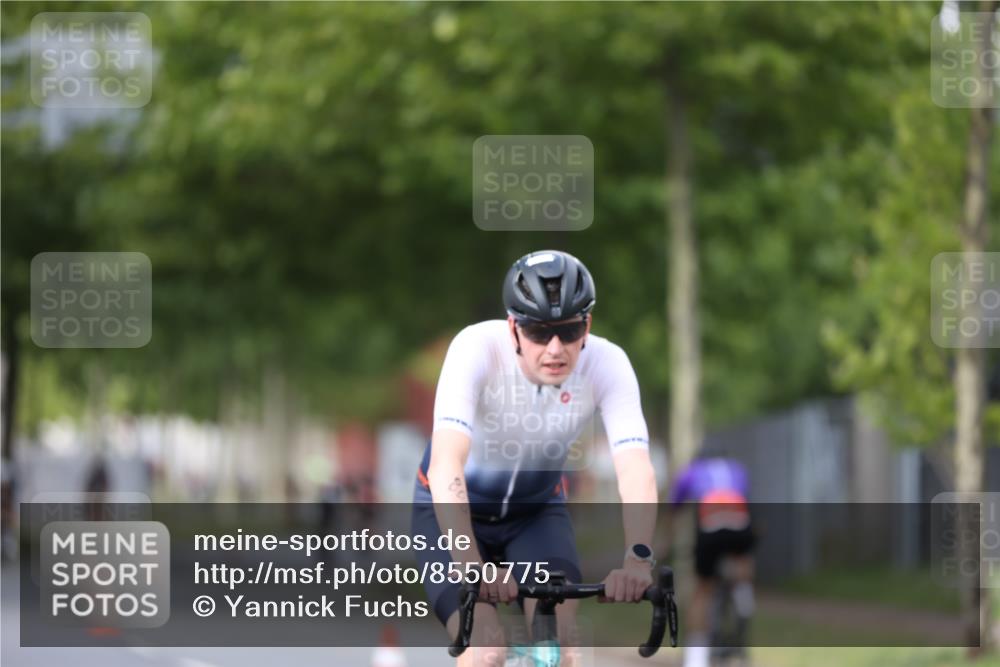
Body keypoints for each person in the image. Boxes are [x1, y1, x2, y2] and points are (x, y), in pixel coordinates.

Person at [411, 250, 658, 666]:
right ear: (513, 328)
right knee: (485, 649)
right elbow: (446, 463)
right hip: (450, 516)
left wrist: (637, 559)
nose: (556, 348)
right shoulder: (475, 348)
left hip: (535, 515)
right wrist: (474, 567)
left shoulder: (607, 363)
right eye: (540, 333)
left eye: (569, 329)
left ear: (588, 325)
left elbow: (634, 468)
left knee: (559, 650)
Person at [669, 455, 755, 667]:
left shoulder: (690, 471)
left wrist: (668, 540)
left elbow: (674, 507)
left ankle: (695, 660)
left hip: (710, 523)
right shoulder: (738, 468)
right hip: (739, 519)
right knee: (742, 559)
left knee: (703, 591)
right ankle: (744, 595)